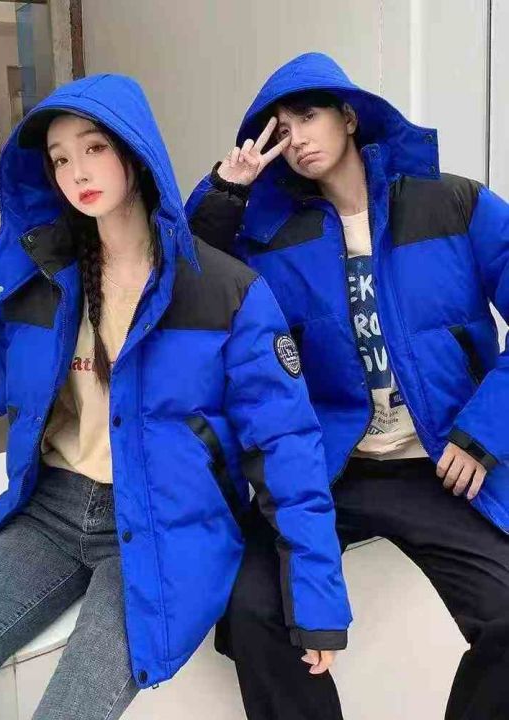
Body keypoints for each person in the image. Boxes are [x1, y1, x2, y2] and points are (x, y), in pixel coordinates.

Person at [0, 72, 351, 720]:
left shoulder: (223, 290)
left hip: (161, 520)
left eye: (94, 148)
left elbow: (286, 443)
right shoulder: (45, 281)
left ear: (134, 151)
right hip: (49, 510)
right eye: (59, 159)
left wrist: (317, 599)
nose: (76, 171)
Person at [186, 51, 509, 720]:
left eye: (308, 117)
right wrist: (227, 190)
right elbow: (190, 281)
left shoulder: (453, 203)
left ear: (349, 117)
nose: (297, 138)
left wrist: (484, 432)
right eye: (281, 129)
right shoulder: (271, 239)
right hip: (330, 467)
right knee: (250, 611)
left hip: (440, 464)